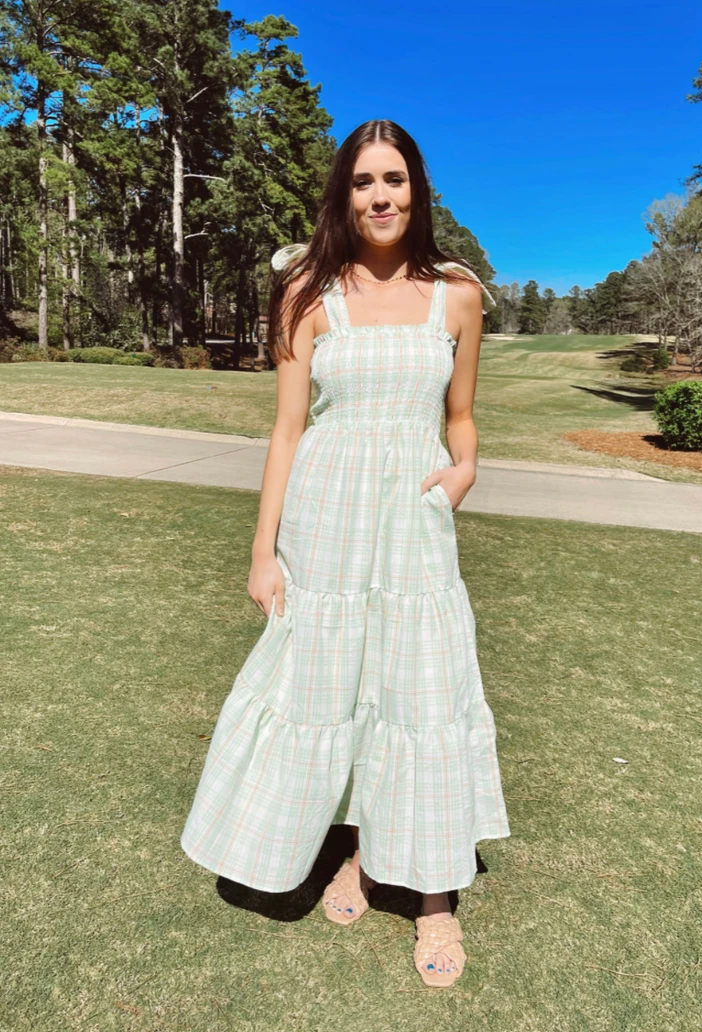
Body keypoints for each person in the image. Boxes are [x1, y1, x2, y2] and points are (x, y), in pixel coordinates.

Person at [180, 118, 510, 989]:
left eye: (394, 180)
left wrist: (463, 471)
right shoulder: (306, 292)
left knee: (419, 690)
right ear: (342, 194)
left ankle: (435, 898)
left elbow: (461, 416)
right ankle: (357, 858)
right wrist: (262, 551)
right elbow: (287, 429)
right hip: (324, 516)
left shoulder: (456, 295)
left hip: (412, 519)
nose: (379, 197)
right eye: (363, 181)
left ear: (417, 191)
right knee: (332, 687)